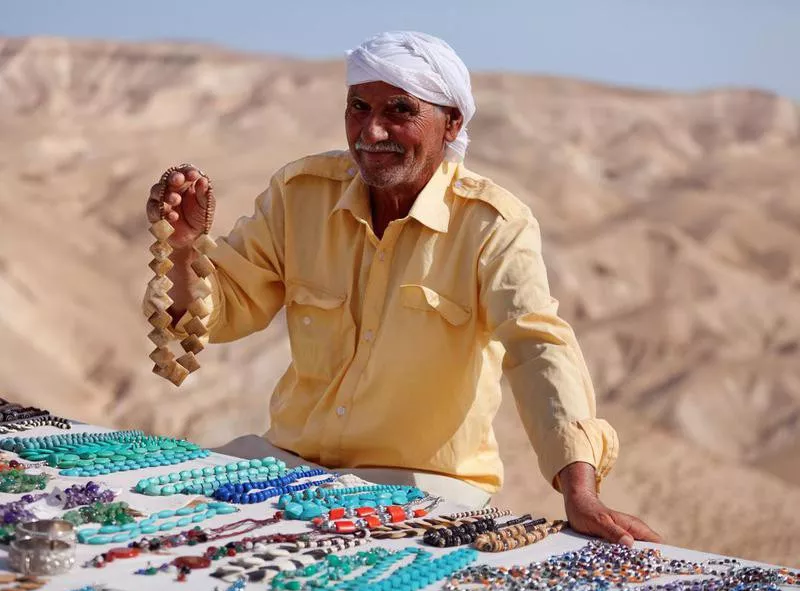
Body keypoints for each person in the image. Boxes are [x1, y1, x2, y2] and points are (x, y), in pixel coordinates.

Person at [144, 31, 660, 547]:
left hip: (425, 491)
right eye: (357, 107)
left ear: (451, 122)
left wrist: (579, 492)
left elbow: (538, 347)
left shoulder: (493, 226)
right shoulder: (299, 194)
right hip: (288, 466)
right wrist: (187, 250)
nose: (372, 130)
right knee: (153, 519)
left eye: (398, 109)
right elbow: (224, 311)